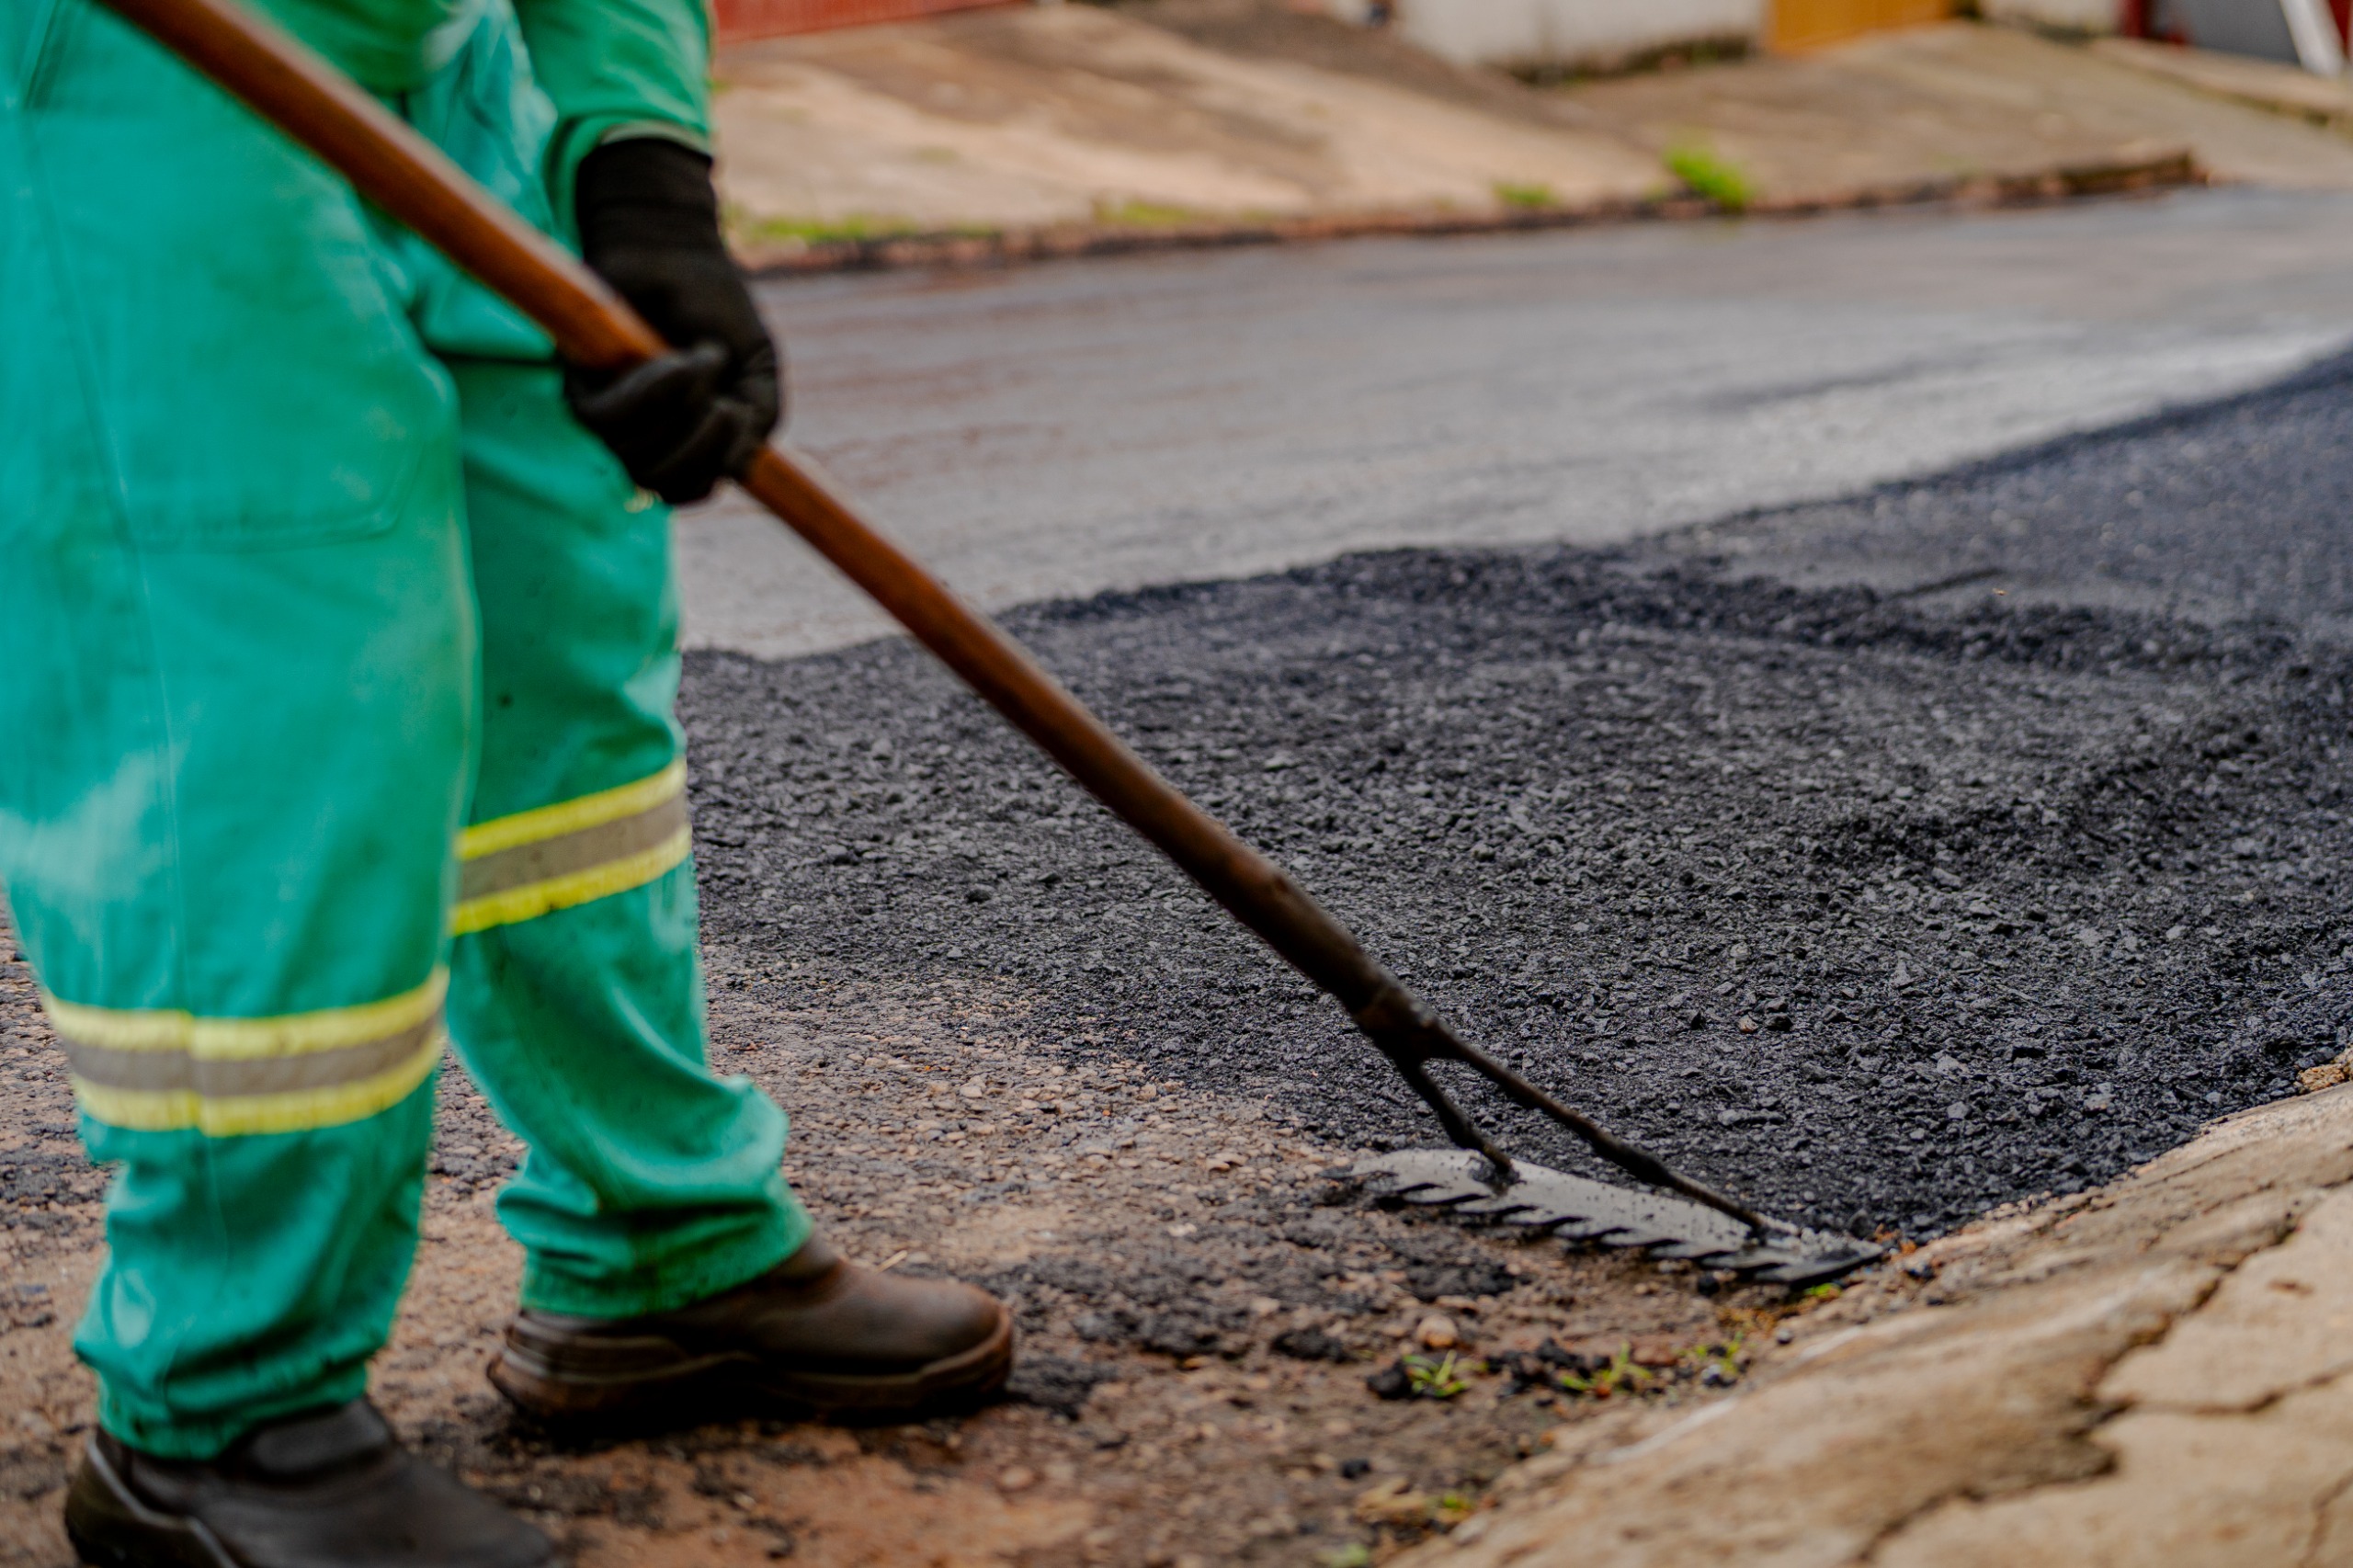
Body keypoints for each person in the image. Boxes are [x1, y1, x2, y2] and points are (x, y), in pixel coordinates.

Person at [0, 0, 1014, 1562]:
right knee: (272, 704)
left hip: (453, 65)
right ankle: (216, 1411)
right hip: (129, 78)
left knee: (556, 666)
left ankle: (657, 1242)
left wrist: (640, 165)